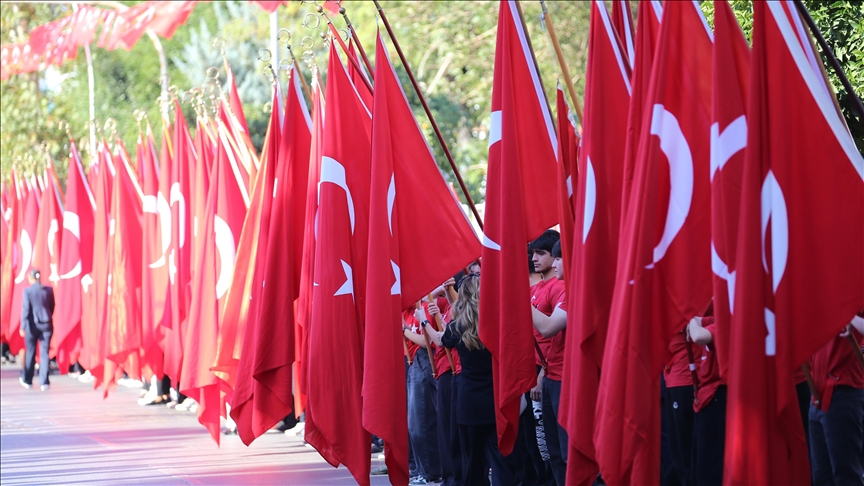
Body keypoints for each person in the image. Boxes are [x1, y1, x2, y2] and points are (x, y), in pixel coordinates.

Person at [428, 273, 521, 485]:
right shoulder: (499, 321)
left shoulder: (458, 326)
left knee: (473, 462)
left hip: (469, 402)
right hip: (497, 399)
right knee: (502, 460)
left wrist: (428, 320)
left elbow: (442, 341)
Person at [808, 312, 864, 485]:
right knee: (822, 477)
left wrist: (850, 318)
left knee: (846, 475)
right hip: (817, 394)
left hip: (844, 391)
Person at [530, 240, 569, 486]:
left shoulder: (569, 290)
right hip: (552, 374)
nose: (554, 264)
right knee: (553, 452)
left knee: (567, 452)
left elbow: (547, 328)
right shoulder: (550, 285)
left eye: (557, 258)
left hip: (568, 379)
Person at [686, 315, 726, 485]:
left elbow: (699, 336)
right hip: (705, 399)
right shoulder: (717, 318)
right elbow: (706, 320)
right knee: (696, 466)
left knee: (709, 469)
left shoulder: (730, 321)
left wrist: (690, 321)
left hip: (718, 397)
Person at [19, 269, 55, 391]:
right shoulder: (48, 290)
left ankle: (28, 379)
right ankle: (44, 381)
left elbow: (26, 309)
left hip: (32, 325)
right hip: (46, 324)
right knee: (44, 353)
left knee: (31, 352)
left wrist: (22, 326)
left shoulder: (28, 291)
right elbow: (52, 306)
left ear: (31, 278)